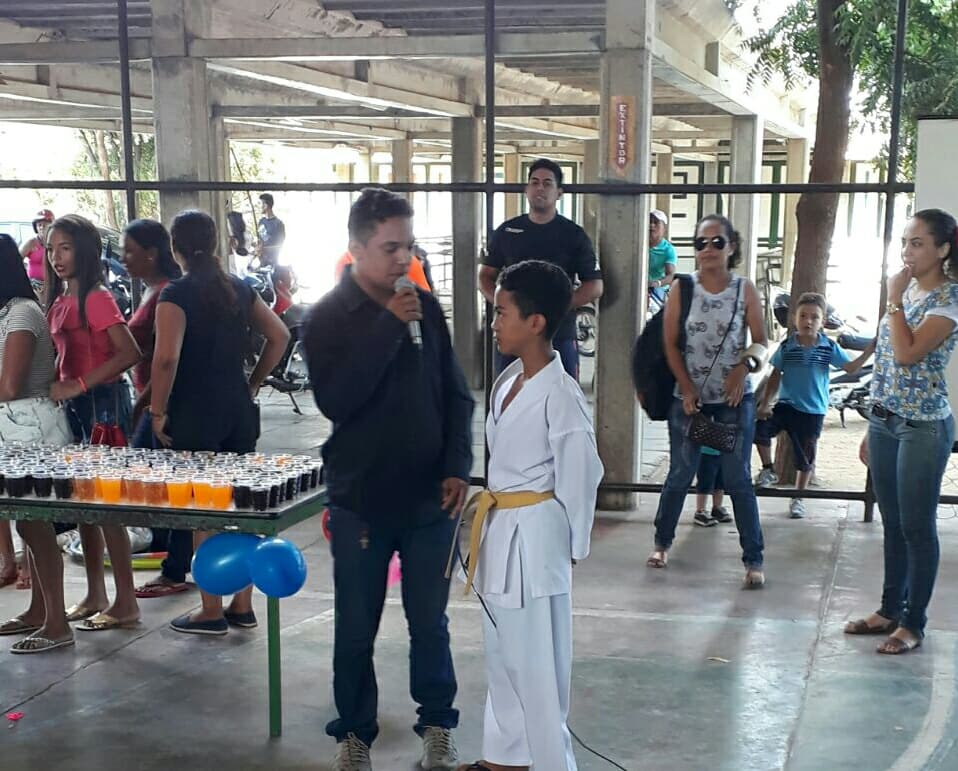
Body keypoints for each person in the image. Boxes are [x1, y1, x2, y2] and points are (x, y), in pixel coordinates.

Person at [304, 188, 474, 771]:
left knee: (430, 622)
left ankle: (438, 726)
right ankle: (354, 734)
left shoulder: (425, 307)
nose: (404, 259)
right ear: (355, 248)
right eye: (390, 248)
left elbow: (455, 394)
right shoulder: (327, 318)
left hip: (429, 498)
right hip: (362, 499)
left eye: (409, 246)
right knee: (356, 626)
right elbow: (336, 400)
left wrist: (456, 465)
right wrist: (386, 326)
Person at [456, 260, 603, 771]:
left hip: (537, 539)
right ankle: (504, 759)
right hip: (500, 528)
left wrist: (572, 545)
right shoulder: (509, 380)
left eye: (502, 312)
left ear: (536, 321)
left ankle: (552, 763)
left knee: (538, 668)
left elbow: (581, 473)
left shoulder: (560, 394)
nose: (494, 321)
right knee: (502, 655)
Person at [149, 210, 289, 635]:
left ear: (175, 248)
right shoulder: (239, 288)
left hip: (195, 413)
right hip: (237, 411)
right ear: (214, 244)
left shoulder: (176, 293)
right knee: (241, 505)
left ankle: (210, 609)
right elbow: (280, 335)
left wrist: (157, 411)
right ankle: (242, 605)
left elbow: (166, 358)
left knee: (204, 510)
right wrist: (253, 382)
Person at [845, 209, 958, 655]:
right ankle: (889, 609)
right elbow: (886, 363)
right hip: (885, 420)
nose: (907, 252)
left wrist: (892, 299)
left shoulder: (949, 300)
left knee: (917, 527)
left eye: (917, 243)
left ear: (943, 249)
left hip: (922, 427)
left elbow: (908, 353)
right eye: (905, 242)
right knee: (892, 523)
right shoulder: (909, 290)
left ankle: (913, 623)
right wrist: (872, 422)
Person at [646, 214, 768, 588]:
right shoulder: (683, 288)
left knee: (737, 478)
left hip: (733, 401)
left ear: (732, 247)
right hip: (690, 402)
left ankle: (753, 559)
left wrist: (743, 368)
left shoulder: (745, 290)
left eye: (717, 242)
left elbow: (761, 342)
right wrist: (686, 387)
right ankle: (662, 543)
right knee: (681, 474)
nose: (709, 249)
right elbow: (670, 343)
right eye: (701, 243)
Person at [45, 214, 143, 631]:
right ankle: (95, 593)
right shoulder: (62, 298)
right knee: (83, 504)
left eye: (65, 248)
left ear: (83, 251)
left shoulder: (96, 298)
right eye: (51, 249)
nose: (56, 257)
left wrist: (78, 384)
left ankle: (127, 601)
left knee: (106, 506)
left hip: (102, 405)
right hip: (76, 405)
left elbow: (130, 352)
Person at [0, 236, 75, 653]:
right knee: (26, 523)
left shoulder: (22, 313)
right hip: (14, 431)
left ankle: (57, 623)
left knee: (35, 523)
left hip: (31, 430)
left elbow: (10, 385)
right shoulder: (7, 312)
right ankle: (37, 611)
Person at [116, 220, 193, 600]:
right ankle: (168, 552)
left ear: (151, 253)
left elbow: (166, 359)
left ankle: (174, 563)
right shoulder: (152, 290)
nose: (123, 258)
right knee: (157, 480)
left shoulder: (167, 293)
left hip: (160, 400)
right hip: (151, 397)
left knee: (155, 479)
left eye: (129, 251)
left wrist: (148, 405)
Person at [754, 292, 875, 518]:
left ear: (822, 321)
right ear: (794, 318)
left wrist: (870, 350)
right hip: (786, 405)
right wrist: (765, 403)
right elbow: (775, 374)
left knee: (805, 457)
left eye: (814, 317)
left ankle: (798, 498)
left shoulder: (828, 347)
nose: (808, 321)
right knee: (758, 429)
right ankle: (768, 469)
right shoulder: (787, 346)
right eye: (803, 316)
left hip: (812, 411)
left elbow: (850, 368)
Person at [479, 158, 603, 380]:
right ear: (526, 190)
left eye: (547, 183)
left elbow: (594, 285)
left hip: (559, 333)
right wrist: (505, 307)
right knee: (509, 394)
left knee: (562, 393)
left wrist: (558, 306)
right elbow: (485, 277)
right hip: (513, 334)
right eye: (534, 182)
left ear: (559, 192)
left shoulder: (573, 234)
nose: (540, 188)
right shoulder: (507, 231)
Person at [693, 447, 731, 527]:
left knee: (720, 480)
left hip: (722, 449)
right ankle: (700, 510)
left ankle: (717, 507)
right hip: (706, 450)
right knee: (705, 480)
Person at [19, 209, 54, 291]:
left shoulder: (56, 242)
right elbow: (15, 261)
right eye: (39, 225)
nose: (42, 227)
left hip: (53, 284)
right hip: (34, 285)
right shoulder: (31, 242)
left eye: (45, 225)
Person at [648, 209, 677, 303]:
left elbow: (670, 275)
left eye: (656, 222)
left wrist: (657, 283)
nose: (652, 225)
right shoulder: (639, 245)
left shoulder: (668, 249)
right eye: (649, 222)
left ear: (664, 228)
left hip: (657, 291)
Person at [257, 193, 286, 266]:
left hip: (274, 263)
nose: (260, 206)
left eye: (261, 203)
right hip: (261, 262)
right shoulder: (261, 222)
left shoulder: (279, 224)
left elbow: (280, 245)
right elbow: (260, 241)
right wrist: (258, 248)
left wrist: (265, 249)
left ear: (266, 205)